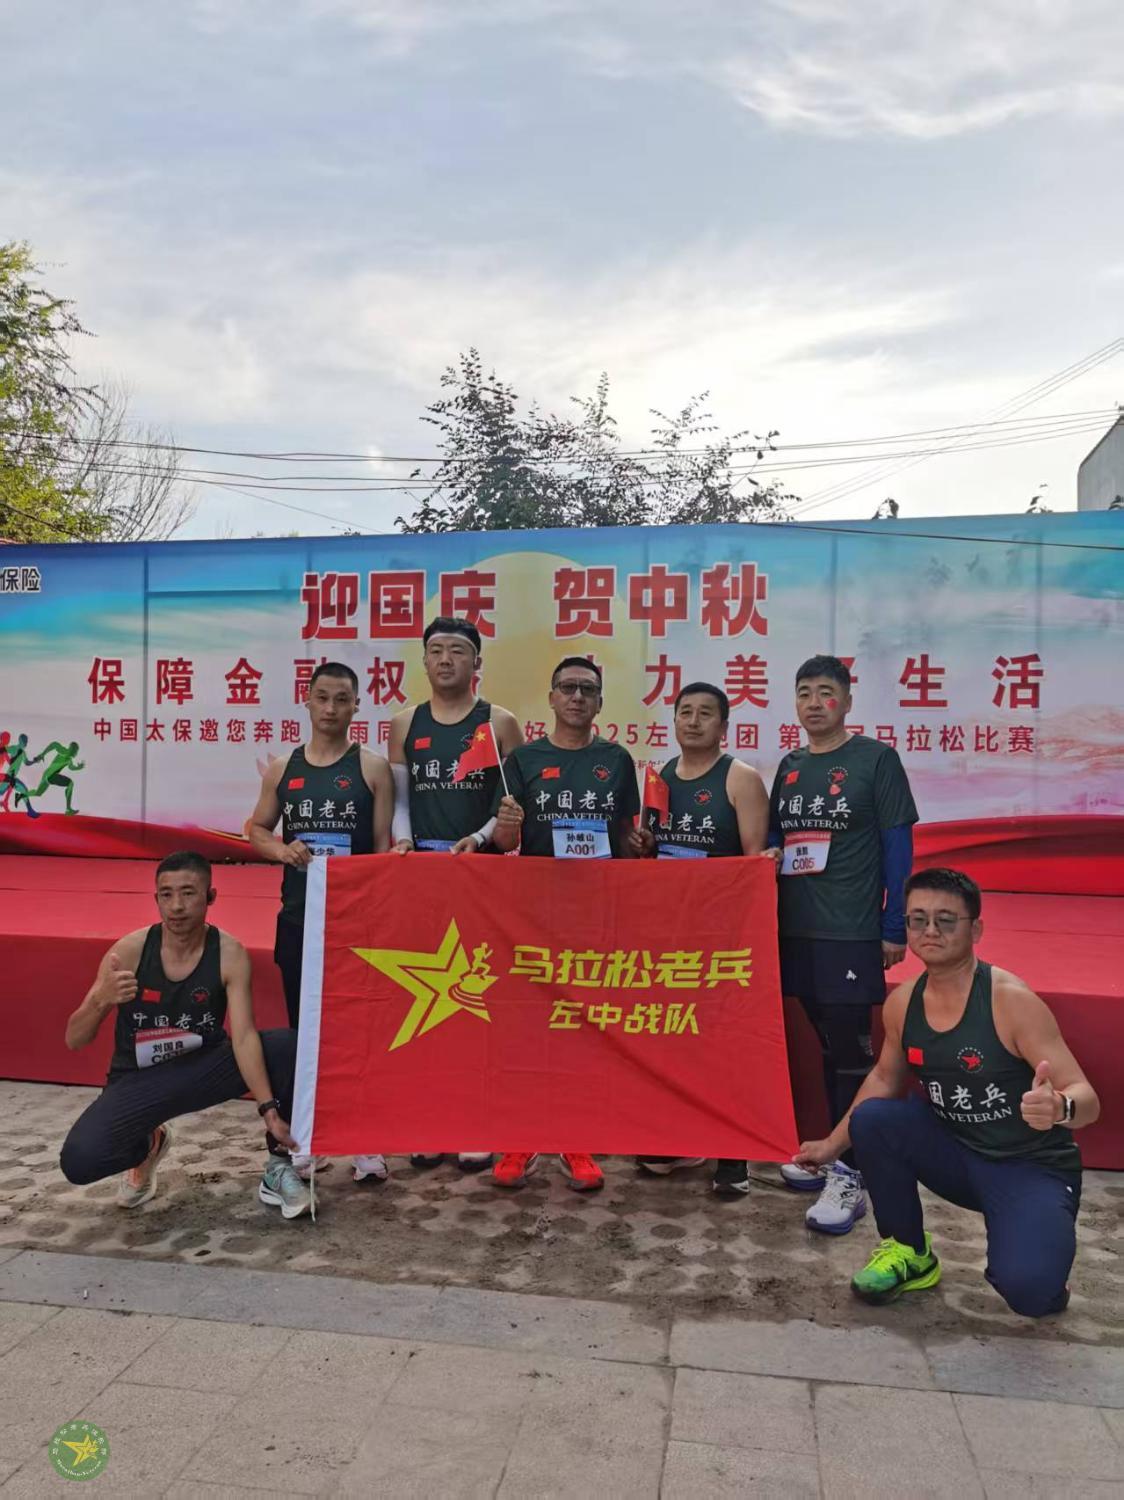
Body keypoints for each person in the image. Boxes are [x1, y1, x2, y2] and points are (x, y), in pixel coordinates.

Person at [794, 869, 1098, 1315]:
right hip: (956, 1155)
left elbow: (1087, 1099)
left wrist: (1058, 1106)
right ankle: (909, 1252)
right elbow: (884, 1079)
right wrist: (831, 1147)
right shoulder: (904, 1002)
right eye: (918, 920)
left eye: (946, 920)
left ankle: (1042, 1264)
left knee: (1031, 1294)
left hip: (1028, 1166)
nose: (930, 931)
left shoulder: (1010, 1001)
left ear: (975, 930)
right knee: (875, 1118)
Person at [59, 851, 312, 1219]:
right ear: (156, 899)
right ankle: (149, 1144)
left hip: (203, 1070)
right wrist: (101, 1000)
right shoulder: (129, 952)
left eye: (188, 893)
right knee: (80, 1161)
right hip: (138, 1081)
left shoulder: (229, 953)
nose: (176, 906)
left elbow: (244, 1038)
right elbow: (74, 1039)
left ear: (210, 897)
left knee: (289, 1046)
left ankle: (278, 1166)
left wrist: (268, 1110)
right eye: (166, 894)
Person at [771, 655, 918, 1233]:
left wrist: (893, 925)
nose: (814, 703)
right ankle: (832, 1151)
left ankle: (851, 1173)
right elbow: (779, 842)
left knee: (852, 1051)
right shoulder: (790, 766)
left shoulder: (876, 760)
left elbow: (898, 848)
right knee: (829, 1044)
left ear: (848, 702)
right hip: (796, 928)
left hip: (850, 931)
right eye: (804, 692)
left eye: (826, 692)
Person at [490, 656, 641, 1191]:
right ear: (551, 697)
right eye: (568, 688)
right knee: (529, 1027)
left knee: (582, 1029)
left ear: (600, 702)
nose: (577, 697)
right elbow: (504, 843)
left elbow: (625, 839)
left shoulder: (616, 760)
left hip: (594, 914)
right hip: (535, 914)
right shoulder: (523, 759)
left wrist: (639, 844)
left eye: (588, 690)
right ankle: (522, 1138)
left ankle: (576, 1139)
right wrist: (506, 827)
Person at [248, 660, 392, 1182]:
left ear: (357, 706)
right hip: (298, 921)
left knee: (358, 1029)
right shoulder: (283, 768)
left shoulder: (372, 768)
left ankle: (365, 1139)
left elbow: (382, 850)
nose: (331, 708)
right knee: (303, 1032)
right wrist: (281, 849)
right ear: (307, 702)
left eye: (342, 699)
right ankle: (307, 1135)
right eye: (323, 698)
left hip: (355, 924)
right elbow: (256, 830)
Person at [388, 615, 523, 1172]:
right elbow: (401, 800)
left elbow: (509, 804)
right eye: (437, 650)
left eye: (458, 651)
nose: (446, 660)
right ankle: (431, 1116)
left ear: (477, 662)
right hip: (424, 875)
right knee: (426, 1001)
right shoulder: (405, 723)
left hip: (480, 875)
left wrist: (481, 839)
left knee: (476, 998)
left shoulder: (499, 723)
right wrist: (402, 842)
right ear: (424, 660)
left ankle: (476, 1119)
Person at [628, 681, 771, 1197]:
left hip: (724, 935)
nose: (692, 721)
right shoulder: (661, 777)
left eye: (704, 713)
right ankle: (677, 1139)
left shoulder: (740, 778)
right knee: (676, 1038)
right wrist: (644, 845)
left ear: (724, 726)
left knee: (724, 1043)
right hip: (671, 933)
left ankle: (732, 1155)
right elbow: (653, 853)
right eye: (684, 712)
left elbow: (756, 865)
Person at [21, 739, 85, 814]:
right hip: (51, 775)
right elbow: (54, 744)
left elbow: (71, 767)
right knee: (70, 783)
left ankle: (22, 795)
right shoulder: (63, 751)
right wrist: (42, 754)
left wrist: (78, 768)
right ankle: (68, 809)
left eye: (77, 752)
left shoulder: (69, 760)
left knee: (38, 793)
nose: (76, 753)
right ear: (72, 749)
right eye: (76, 751)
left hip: (46, 776)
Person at [0, 731, 38, 817]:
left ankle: (30, 811)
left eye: (26, 741)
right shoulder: (14, 748)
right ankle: (30, 811)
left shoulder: (23, 753)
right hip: (9, 776)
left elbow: (26, 762)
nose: (26, 743)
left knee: (23, 790)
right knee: (22, 789)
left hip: (10, 777)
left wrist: (34, 761)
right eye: (25, 741)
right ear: (20, 741)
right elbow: (3, 750)